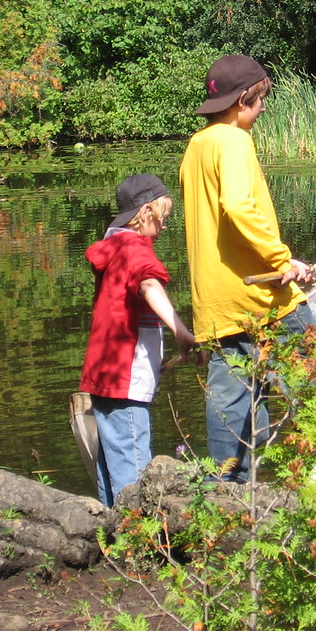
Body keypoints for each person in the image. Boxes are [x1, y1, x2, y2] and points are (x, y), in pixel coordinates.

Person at [179, 54, 316, 483]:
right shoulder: (234, 141)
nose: (260, 113)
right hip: (262, 299)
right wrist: (282, 260)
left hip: (216, 306)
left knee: (233, 414)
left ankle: (229, 508)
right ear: (244, 100)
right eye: (260, 104)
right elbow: (237, 207)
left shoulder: (195, 146)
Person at [79, 173, 195, 506]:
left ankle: (110, 535)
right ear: (146, 213)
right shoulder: (134, 250)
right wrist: (181, 331)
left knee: (111, 468)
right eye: (164, 218)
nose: (164, 227)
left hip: (104, 375)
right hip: (124, 381)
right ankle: (137, 545)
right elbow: (148, 285)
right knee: (133, 469)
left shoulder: (114, 245)